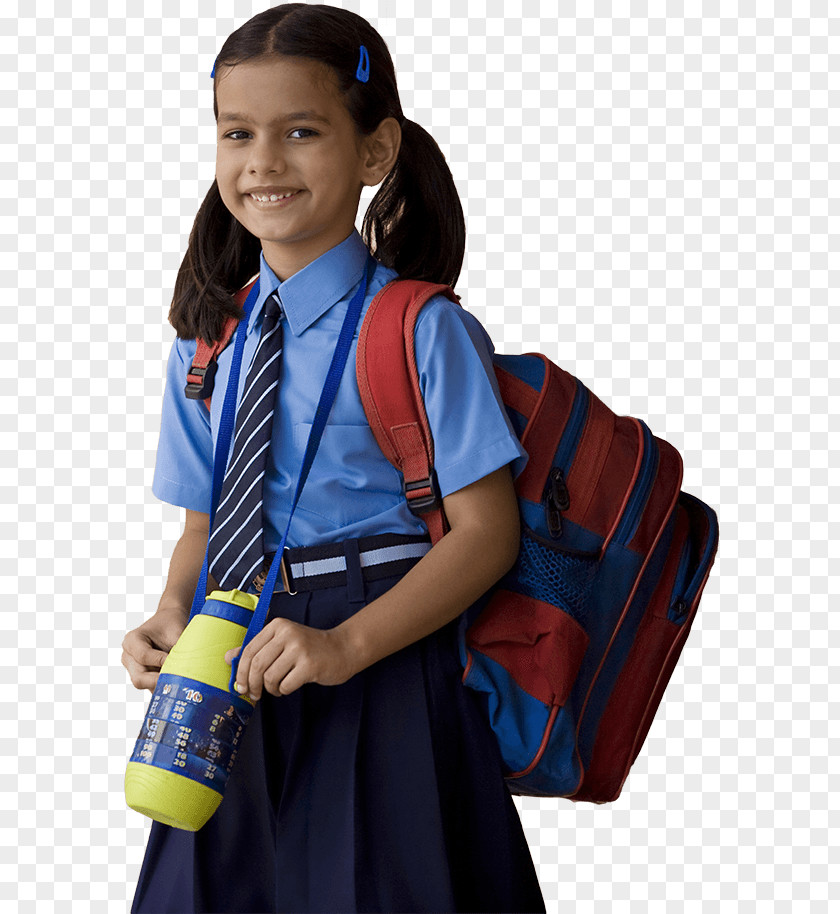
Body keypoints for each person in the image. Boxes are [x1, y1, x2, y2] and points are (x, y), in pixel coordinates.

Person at [121, 5, 546, 912]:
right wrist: (167, 613)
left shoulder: (424, 332)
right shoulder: (208, 340)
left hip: (383, 658)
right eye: (238, 133)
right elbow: (204, 525)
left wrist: (346, 645)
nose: (262, 162)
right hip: (229, 659)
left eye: (301, 132)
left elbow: (486, 535)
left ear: (375, 152)